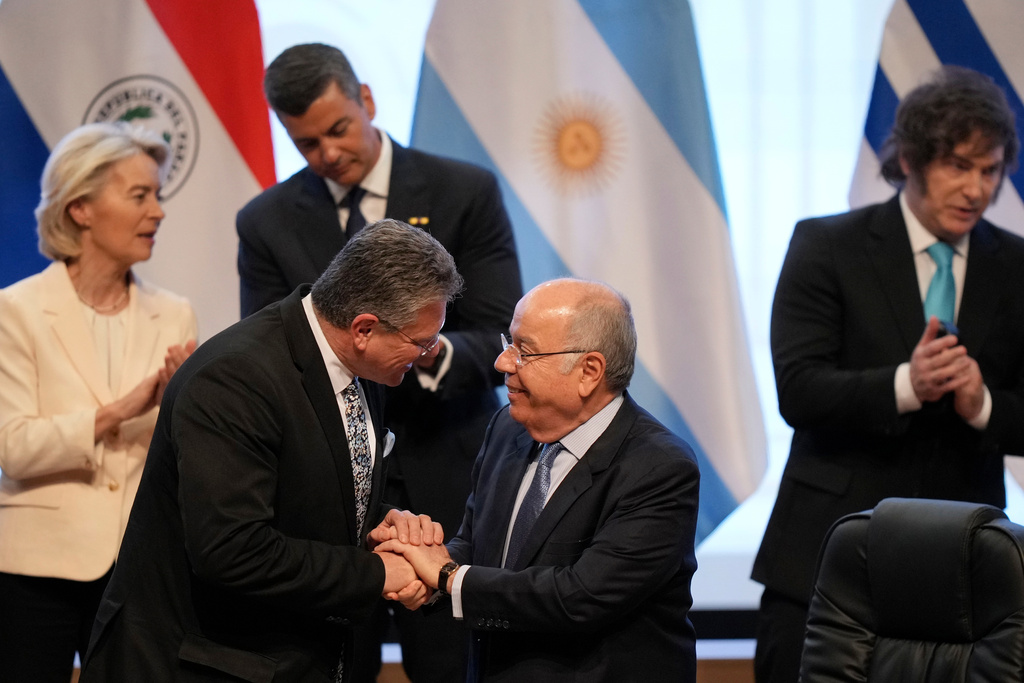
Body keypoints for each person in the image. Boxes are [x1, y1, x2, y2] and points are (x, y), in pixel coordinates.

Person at [235, 42, 523, 682]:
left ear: (366, 100)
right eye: (306, 143)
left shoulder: (463, 190)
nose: (328, 154)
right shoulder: (266, 221)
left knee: (455, 666)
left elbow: (498, 330)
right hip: (325, 492)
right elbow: (267, 347)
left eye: (337, 129)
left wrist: (418, 347)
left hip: (447, 472)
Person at [81, 219, 460, 682]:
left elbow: (306, 485)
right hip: (203, 662)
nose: (427, 356)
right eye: (421, 343)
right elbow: (233, 551)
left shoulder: (360, 367)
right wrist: (380, 573)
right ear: (364, 328)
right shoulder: (234, 379)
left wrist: (382, 522)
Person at [752, 65, 1024, 683]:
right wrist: (907, 384)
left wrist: (982, 404)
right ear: (910, 160)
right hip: (825, 562)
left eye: (991, 170)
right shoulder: (826, 245)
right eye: (959, 165)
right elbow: (799, 388)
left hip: (964, 569)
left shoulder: (1016, 265)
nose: (976, 189)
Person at [374, 278, 701, 683]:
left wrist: (445, 576)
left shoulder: (658, 468)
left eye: (524, 351)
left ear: (589, 371)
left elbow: (579, 597)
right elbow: (477, 547)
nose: (503, 363)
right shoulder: (506, 429)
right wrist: (423, 565)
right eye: (507, 343)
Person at [0, 122, 197, 682]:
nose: (157, 211)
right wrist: (122, 409)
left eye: (157, 195)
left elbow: (180, 457)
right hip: (35, 573)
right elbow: (14, 448)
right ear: (80, 208)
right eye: (139, 195)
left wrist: (190, 410)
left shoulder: (175, 312)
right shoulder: (15, 310)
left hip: (141, 570)